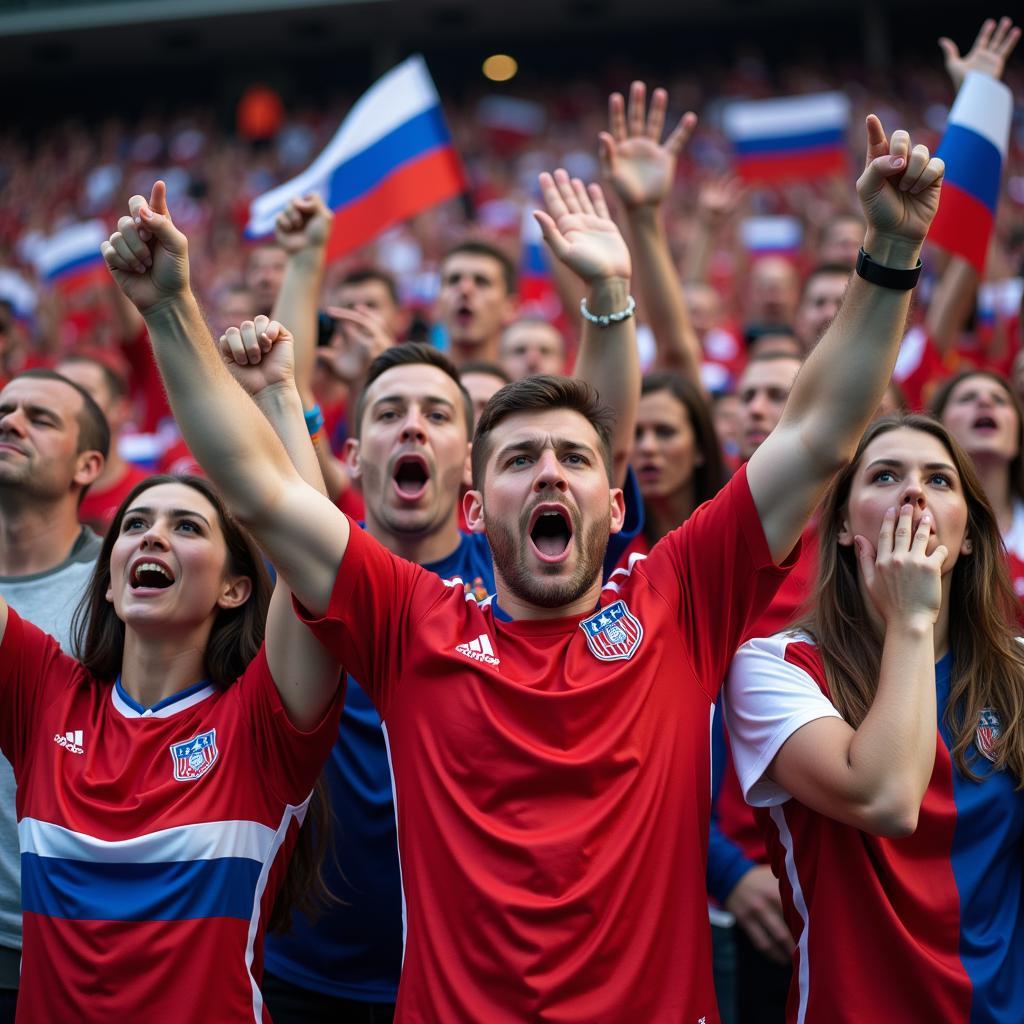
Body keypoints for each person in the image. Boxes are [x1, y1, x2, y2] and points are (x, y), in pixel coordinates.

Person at [104, 112, 943, 1020]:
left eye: (576, 458)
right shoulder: (409, 620)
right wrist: (167, 309)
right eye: (518, 459)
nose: (550, 470)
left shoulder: (681, 596)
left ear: (616, 507)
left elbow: (820, 431)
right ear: (473, 510)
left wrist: (891, 249)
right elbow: (261, 489)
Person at [725, 414, 1024, 1023]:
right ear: (839, 525)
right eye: (885, 475)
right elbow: (887, 800)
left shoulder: (1016, 671)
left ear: (968, 535)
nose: (913, 492)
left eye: (939, 480)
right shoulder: (774, 667)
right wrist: (911, 619)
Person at [0, 369, 108, 1022]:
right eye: (4, 410)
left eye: (39, 418)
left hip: (59, 943)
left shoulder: (126, 594)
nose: (10, 423)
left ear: (88, 464)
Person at [931, 370, 1024, 596]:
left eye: (1000, 400)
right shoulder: (919, 521)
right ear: (937, 430)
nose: (985, 402)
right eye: (967, 398)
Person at [629, 371, 728, 552]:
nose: (647, 447)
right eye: (636, 434)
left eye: (665, 432)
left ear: (700, 447)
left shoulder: (732, 529)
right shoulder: (609, 541)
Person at [55, 351, 152, 533]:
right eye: (56, 393)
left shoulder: (150, 495)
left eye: (83, 391)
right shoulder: (28, 495)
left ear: (120, 410)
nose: (65, 402)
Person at [435, 239, 518, 367]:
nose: (464, 289)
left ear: (510, 308)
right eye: (454, 280)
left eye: (481, 281)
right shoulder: (414, 381)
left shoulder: (527, 384)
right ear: (438, 303)